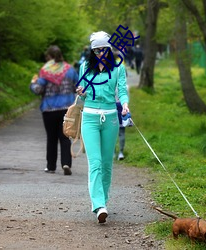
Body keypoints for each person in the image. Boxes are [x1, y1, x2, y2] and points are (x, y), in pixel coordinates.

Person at [76, 31, 129, 223]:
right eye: (96, 51)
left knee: (107, 164)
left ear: (109, 49)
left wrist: (124, 104)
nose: (100, 54)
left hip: (111, 119)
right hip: (89, 118)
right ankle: (98, 204)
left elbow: (122, 90)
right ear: (92, 51)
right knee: (95, 163)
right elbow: (82, 93)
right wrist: (80, 92)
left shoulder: (117, 68)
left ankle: (103, 201)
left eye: (103, 50)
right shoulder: (85, 67)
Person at [30, 45, 78, 175]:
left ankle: (51, 167)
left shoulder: (45, 71)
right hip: (66, 109)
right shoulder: (70, 70)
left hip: (49, 109)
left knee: (51, 138)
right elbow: (78, 86)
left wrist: (33, 83)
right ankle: (66, 163)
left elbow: (38, 90)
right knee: (65, 136)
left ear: (49, 57)